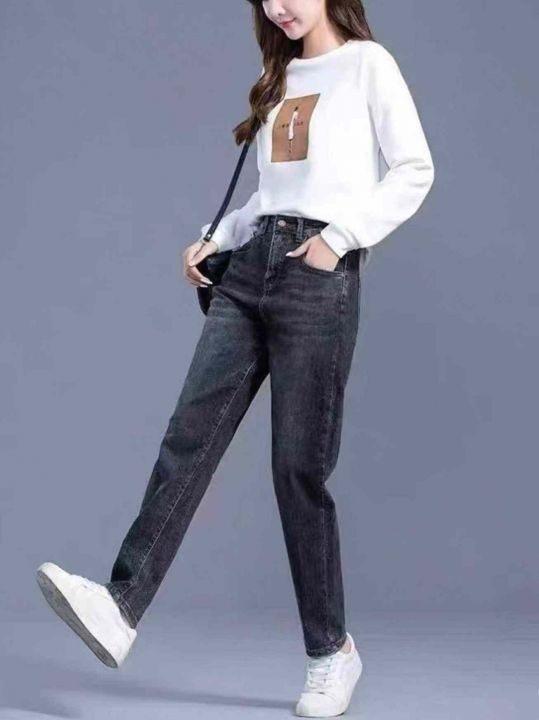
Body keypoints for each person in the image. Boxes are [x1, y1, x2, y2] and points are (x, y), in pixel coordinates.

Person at [36, 0, 434, 716]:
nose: (277, 7)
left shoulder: (367, 66)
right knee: (188, 437)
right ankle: (121, 606)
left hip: (318, 277)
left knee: (297, 470)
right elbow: (270, 196)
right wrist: (215, 237)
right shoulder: (279, 75)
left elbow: (413, 169)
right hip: (250, 271)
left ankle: (330, 653)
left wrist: (337, 240)